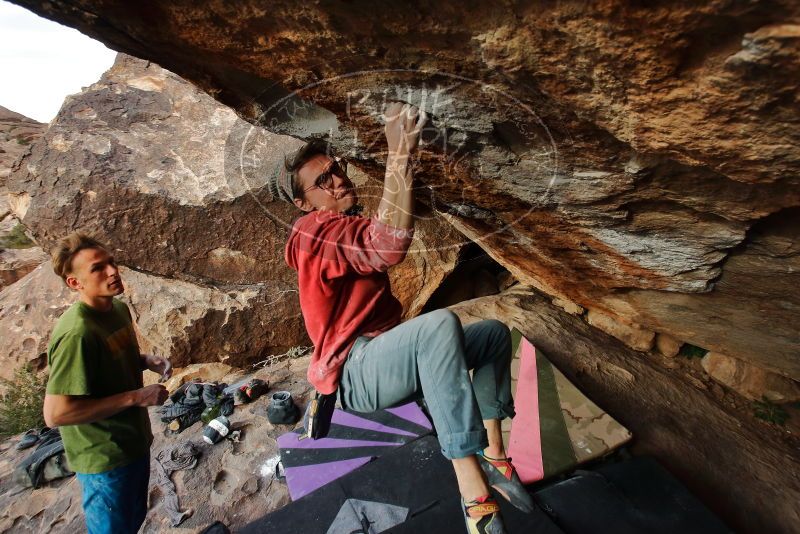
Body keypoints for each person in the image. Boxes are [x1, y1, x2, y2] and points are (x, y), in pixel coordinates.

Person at [270, 102, 533, 534]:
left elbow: (381, 233)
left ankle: (496, 456)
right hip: (357, 371)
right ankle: (474, 493)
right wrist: (399, 152)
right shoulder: (311, 231)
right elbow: (386, 246)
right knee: (437, 326)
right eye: (322, 182)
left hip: (385, 357)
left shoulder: (339, 226)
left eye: (336, 170)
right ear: (303, 203)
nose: (337, 181)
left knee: (493, 336)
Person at [43, 233, 172, 534]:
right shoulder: (76, 333)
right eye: (98, 268)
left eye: (111, 262)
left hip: (131, 442)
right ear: (75, 283)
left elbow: (107, 360)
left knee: (133, 519)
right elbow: (56, 414)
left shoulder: (116, 309)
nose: (112, 272)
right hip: (103, 457)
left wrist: (146, 360)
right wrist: (137, 398)